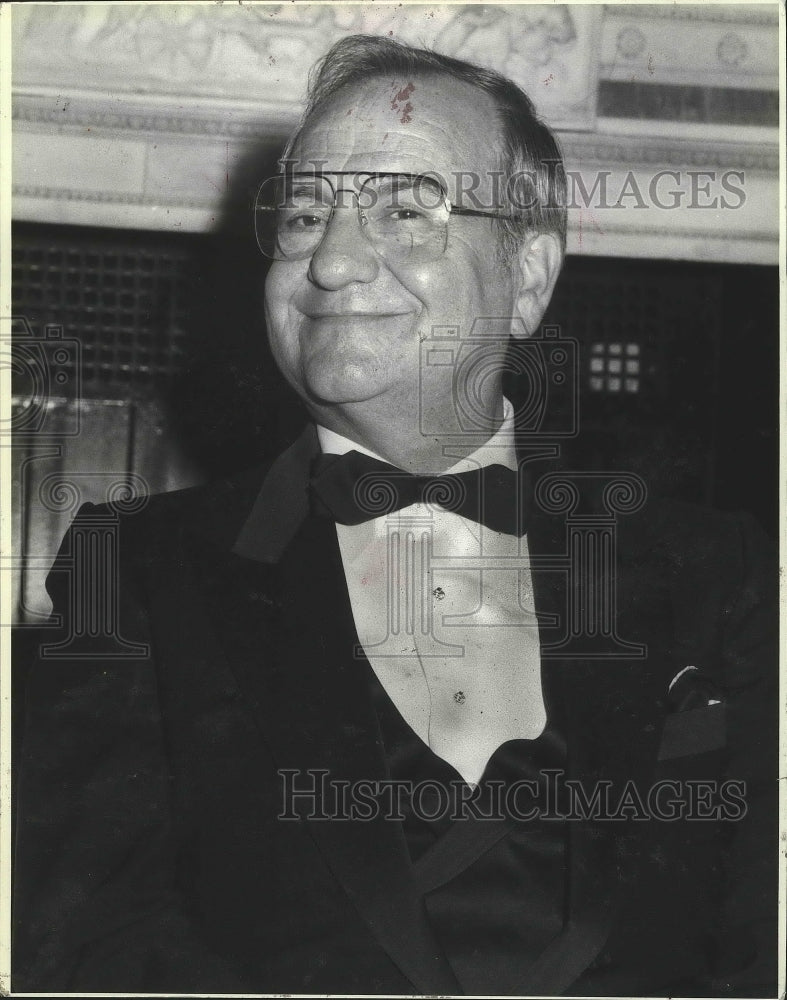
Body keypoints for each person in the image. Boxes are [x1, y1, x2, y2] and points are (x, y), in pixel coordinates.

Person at [13, 35, 777, 997]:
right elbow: (82, 958)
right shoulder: (128, 573)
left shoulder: (717, 572)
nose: (330, 261)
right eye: (302, 215)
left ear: (528, 278)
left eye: (405, 212)